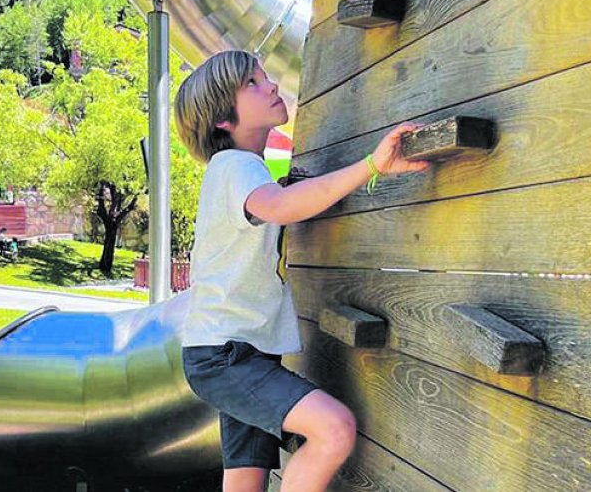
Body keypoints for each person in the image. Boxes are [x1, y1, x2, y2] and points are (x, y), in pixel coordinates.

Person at [173, 50, 428, 492]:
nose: (270, 85)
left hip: (236, 352)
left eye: (265, 77)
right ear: (222, 120)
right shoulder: (236, 165)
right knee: (333, 429)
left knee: (243, 481)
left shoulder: (244, 172)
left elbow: (279, 199)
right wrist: (372, 166)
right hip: (226, 355)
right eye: (251, 83)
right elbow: (283, 208)